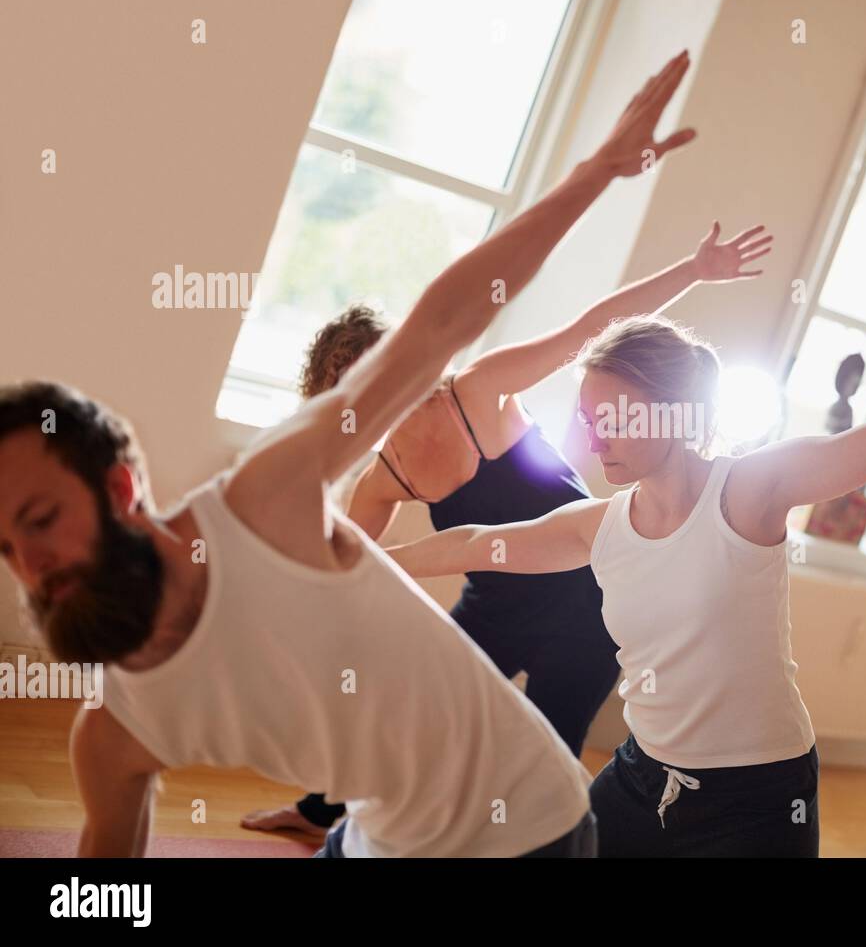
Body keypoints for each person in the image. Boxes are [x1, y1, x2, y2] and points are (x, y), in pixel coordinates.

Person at [0, 51, 697, 857]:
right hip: (385, 833)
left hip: (528, 820)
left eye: (40, 519)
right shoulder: (113, 738)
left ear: (121, 485)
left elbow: (447, 319)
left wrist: (597, 171)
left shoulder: (266, 500)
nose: (31, 564)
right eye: (6, 548)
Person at [387, 313, 866, 857]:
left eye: (618, 416)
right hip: (640, 777)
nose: (596, 437)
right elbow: (486, 545)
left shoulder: (750, 491)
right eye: (590, 418)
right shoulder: (600, 524)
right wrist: (370, 558)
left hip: (758, 799)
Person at [243, 219, 772, 837]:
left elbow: (589, 329)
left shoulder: (480, 392)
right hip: (493, 608)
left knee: (547, 756)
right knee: (409, 708)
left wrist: (695, 270)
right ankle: (321, 814)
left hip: (583, 599)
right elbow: (342, 563)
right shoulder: (383, 477)